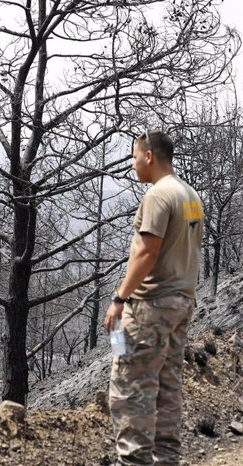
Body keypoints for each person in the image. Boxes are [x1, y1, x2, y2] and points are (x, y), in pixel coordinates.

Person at [103, 130, 204, 466]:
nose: (132, 165)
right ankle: (167, 459)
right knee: (167, 387)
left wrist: (119, 298)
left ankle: (134, 460)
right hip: (180, 302)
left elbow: (148, 251)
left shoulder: (158, 196)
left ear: (149, 156)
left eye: (134, 157)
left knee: (131, 388)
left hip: (150, 307)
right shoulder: (189, 194)